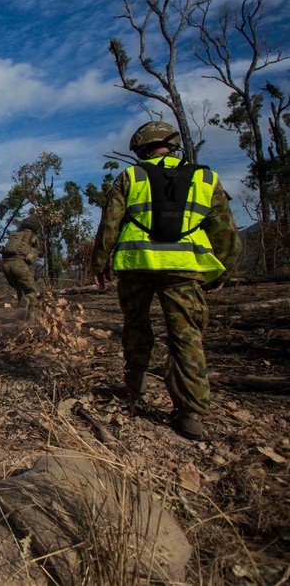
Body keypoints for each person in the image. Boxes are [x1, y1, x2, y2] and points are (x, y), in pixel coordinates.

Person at [90, 121, 242, 440]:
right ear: (173, 146)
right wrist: (222, 271)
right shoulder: (206, 178)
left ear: (141, 150)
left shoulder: (130, 177)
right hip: (184, 267)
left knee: (135, 321)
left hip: (136, 264)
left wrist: (100, 264)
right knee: (186, 336)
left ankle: (136, 378)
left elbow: (109, 226)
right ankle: (190, 415)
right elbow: (226, 234)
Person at [0, 215, 42, 314]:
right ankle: (30, 315)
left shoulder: (14, 235)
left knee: (19, 288)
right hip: (19, 265)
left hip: (5, 265)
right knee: (31, 293)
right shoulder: (33, 236)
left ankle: (22, 314)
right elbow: (40, 252)